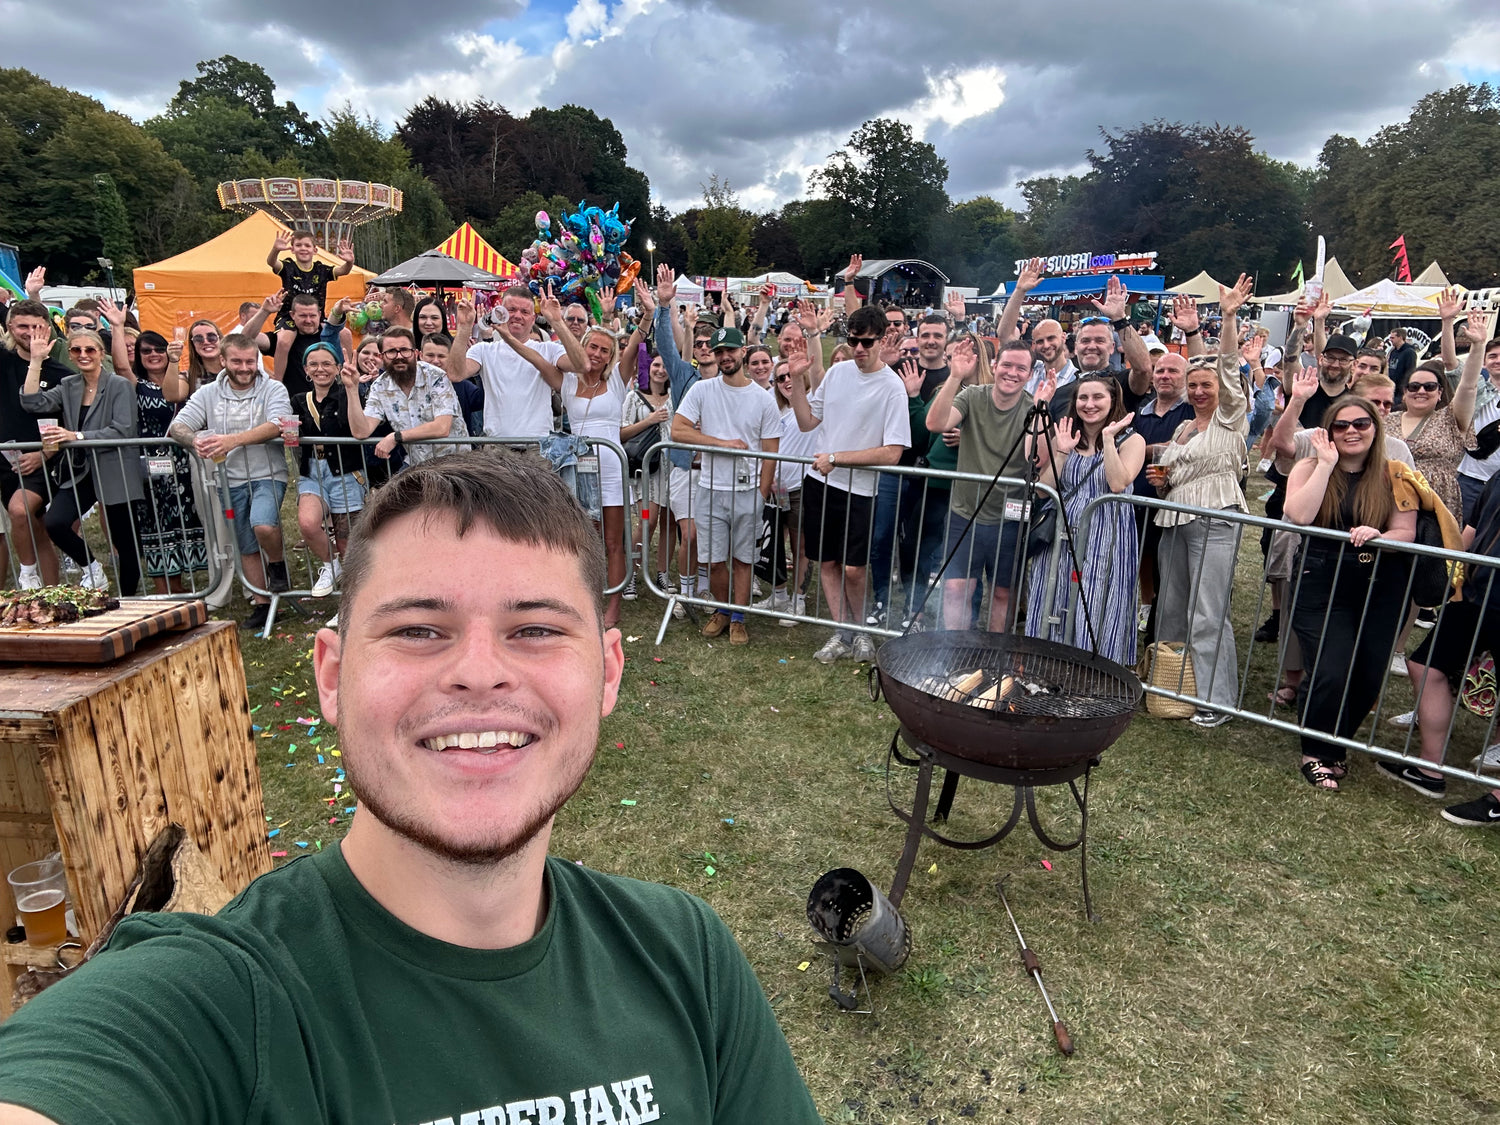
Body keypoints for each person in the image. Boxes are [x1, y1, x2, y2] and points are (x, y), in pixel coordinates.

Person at [0, 452, 822, 1125]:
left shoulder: (687, 958)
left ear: (606, 673)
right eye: (418, 629)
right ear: (331, 675)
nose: (477, 672)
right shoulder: (224, 1002)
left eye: (534, 628)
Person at [1282, 398, 1416, 791]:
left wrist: (1380, 535)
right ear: (1329, 431)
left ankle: (1336, 745)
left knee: (1369, 675)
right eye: (1341, 426)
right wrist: (1325, 463)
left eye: (1361, 423)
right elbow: (1300, 514)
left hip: (1380, 582)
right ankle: (1314, 750)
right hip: (1321, 577)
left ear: (1376, 428)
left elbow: (1405, 531)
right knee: (1330, 666)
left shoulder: (1394, 475)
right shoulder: (1309, 466)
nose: (1352, 431)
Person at [1151, 275, 1253, 728]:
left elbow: (1229, 368)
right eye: (1192, 385)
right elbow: (1171, 477)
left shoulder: (1230, 420)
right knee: (1172, 606)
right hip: (1172, 518)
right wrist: (1161, 479)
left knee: (1207, 611)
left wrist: (1228, 317)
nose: (1197, 391)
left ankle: (1216, 698)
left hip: (1215, 517)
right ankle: (1172, 685)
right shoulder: (1181, 429)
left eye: (1205, 384)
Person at [783, 304, 911, 663]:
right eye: (853, 340)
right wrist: (795, 384)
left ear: (882, 338)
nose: (858, 348)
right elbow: (808, 421)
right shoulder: (838, 373)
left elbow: (893, 452)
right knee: (826, 562)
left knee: (855, 569)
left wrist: (837, 458)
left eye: (866, 342)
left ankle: (863, 632)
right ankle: (843, 632)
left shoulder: (892, 388)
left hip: (861, 489)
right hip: (821, 483)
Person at [168, 332, 295, 630]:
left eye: (250, 361)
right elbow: (179, 426)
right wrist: (195, 439)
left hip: (267, 474)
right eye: (237, 361)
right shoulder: (208, 393)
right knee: (245, 543)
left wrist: (231, 441)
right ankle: (262, 604)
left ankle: (277, 565)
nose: (244, 367)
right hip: (228, 479)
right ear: (223, 361)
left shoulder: (273, 388)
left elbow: (277, 424)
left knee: (262, 523)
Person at [671, 326, 781, 645]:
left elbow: (771, 453)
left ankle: (738, 618)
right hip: (709, 489)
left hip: (747, 492)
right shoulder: (703, 391)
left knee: (743, 559)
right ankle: (721, 609)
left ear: (742, 352)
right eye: (719, 352)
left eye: (730, 351)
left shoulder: (763, 400)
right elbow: (678, 430)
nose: (724, 357)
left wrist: (761, 494)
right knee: (713, 560)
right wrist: (720, 443)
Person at [1025, 373, 1145, 664]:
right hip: (1062, 533)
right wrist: (1062, 452)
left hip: (1106, 535)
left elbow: (1118, 483)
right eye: (1083, 398)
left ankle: (1095, 670)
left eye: (1097, 397)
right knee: (1054, 592)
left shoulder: (1133, 440)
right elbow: (1044, 490)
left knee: (1097, 599)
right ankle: (1049, 663)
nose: (1089, 404)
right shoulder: (1065, 435)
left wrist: (1107, 440)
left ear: (1112, 400)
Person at [924, 338, 1038, 632]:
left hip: (1011, 515)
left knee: (1003, 592)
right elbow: (935, 424)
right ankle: (956, 653)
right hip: (966, 510)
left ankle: (996, 657)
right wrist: (955, 376)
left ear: (1030, 373)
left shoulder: (1032, 407)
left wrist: (1039, 411)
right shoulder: (973, 395)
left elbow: (1036, 459)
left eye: (1021, 368)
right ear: (995, 365)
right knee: (955, 589)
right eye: (1007, 365)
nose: (1012, 373)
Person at [19, 328, 145, 595]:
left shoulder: (119, 385)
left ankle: (128, 599)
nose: (83, 355)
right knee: (56, 522)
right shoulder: (69, 385)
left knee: (124, 540)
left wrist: (75, 435)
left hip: (115, 468)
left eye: (90, 349)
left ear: (101, 353)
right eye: (76, 350)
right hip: (82, 470)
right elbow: (32, 402)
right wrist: (36, 361)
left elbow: (122, 428)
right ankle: (92, 569)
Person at [99, 301, 207, 593]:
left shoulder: (183, 379)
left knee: (187, 520)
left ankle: (183, 583)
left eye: (158, 348)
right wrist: (117, 326)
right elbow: (121, 364)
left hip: (183, 461)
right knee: (158, 524)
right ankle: (164, 584)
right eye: (146, 351)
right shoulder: (136, 384)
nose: (154, 355)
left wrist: (174, 362)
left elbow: (176, 396)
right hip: (152, 464)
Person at [285, 344, 368, 598]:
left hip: (346, 472)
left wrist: (353, 389)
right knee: (308, 523)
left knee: (347, 541)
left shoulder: (350, 394)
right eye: (314, 364)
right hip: (313, 471)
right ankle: (331, 566)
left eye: (326, 363)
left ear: (337, 367)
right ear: (306, 370)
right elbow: (294, 438)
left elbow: (358, 429)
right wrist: (288, 434)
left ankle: (351, 600)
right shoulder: (299, 400)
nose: (320, 369)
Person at [449, 288, 586, 440]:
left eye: (525, 312)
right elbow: (456, 374)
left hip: (537, 448)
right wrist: (464, 326)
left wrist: (557, 322)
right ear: (499, 312)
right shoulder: (483, 350)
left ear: (533, 319)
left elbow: (581, 365)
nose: (517, 316)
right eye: (511, 310)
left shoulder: (548, 349)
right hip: (497, 449)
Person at [1390, 315, 1484, 521]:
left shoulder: (1450, 419)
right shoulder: (1387, 420)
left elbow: (1468, 386)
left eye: (1429, 387)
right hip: (1389, 503)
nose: (1421, 391)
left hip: (1436, 509)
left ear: (1440, 393)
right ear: (1404, 393)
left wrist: (1478, 346)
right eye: (1414, 387)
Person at [1, 301, 68, 588]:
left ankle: (27, 577)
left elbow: (70, 425)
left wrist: (43, 454)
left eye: (36, 326)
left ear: (47, 327)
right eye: (22, 326)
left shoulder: (61, 373)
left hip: (43, 462)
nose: (30, 333)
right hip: (5, 460)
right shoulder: (2, 361)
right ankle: (50, 595)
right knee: (35, 528)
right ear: (9, 328)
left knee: (20, 510)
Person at [347, 327, 463, 469]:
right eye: (391, 352)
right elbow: (361, 431)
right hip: (417, 466)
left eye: (404, 350)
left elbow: (442, 427)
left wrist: (396, 437)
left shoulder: (435, 376)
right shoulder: (380, 386)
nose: (399, 356)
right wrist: (351, 389)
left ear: (415, 353)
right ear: (381, 357)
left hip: (454, 465)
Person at [620, 353, 672, 596]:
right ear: (648, 368)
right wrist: (649, 420)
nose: (660, 370)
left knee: (669, 524)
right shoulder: (634, 397)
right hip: (646, 472)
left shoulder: (676, 397)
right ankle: (629, 572)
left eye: (664, 366)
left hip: (673, 470)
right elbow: (622, 433)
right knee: (647, 520)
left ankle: (663, 574)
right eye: (656, 365)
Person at [267, 229, 354, 330]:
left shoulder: (321, 269)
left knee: (344, 333)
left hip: (316, 317)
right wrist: (275, 250)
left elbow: (343, 271)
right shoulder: (288, 266)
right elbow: (272, 262)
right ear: (292, 249)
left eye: (307, 245)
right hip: (289, 316)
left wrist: (349, 262)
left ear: (315, 250)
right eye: (298, 245)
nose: (303, 248)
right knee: (285, 338)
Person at [1387, 325, 1418, 404]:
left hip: (1401, 391)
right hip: (1392, 389)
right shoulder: (1393, 351)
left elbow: (1410, 371)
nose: (1390, 340)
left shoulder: (1409, 352)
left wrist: (1405, 389)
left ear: (1400, 337)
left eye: (1392, 338)